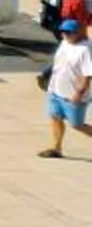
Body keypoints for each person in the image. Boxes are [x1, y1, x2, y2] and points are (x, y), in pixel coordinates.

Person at [49, 19, 92, 158]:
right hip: (56, 91)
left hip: (73, 95)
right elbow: (60, 63)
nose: (65, 35)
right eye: (62, 32)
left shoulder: (85, 49)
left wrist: (78, 94)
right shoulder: (64, 43)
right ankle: (56, 148)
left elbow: (87, 76)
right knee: (55, 117)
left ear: (77, 33)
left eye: (68, 32)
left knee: (77, 124)